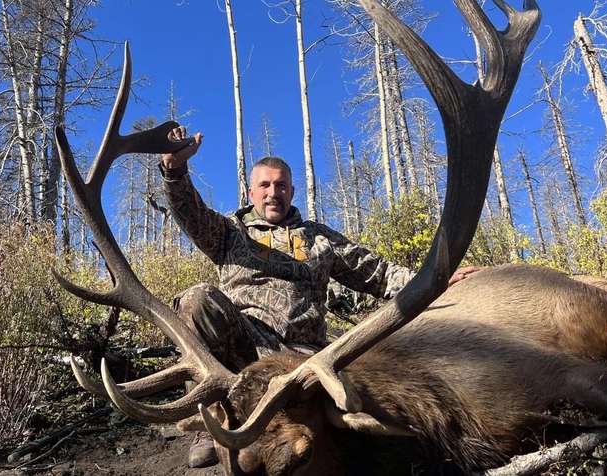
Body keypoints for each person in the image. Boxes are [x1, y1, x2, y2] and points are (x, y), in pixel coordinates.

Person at [159, 126, 477, 468]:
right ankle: (210, 423)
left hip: (306, 359)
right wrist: (174, 171)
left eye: (281, 185)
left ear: (292, 191)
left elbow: (376, 272)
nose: (273, 193)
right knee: (197, 298)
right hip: (246, 353)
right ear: (251, 191)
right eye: (265, 185)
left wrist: (434, 281)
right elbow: (190, 215)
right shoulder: (227, 233)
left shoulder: (319, 238)